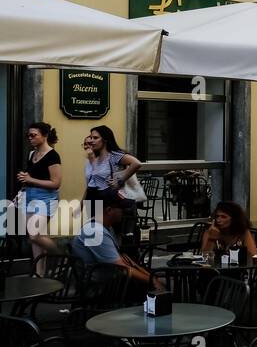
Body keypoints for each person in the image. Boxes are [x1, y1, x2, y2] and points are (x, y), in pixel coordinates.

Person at [70, 192, 161, 299]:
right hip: (97, 289)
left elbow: (127, 262)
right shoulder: (95, 231)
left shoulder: (105, 227)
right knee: (147, 292)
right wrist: (152, 281)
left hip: (107, 281)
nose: (124, 211)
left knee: (146, 283)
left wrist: (152, 278)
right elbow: (122, 268)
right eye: (121, 208)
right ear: (108, 210)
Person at [17, 122, 62, 274]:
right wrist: (23, 185)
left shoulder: (53, 156)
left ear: (45, 135)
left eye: (33, 135)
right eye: (28, 135)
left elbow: (56, 183)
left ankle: (62, 257)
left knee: (35, 235)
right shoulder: (32, 154)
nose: (30, 138)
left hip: (46, 198)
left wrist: (30, 180)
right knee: (35, 238)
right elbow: (30, 177)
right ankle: (39, 274)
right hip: (30, 196)